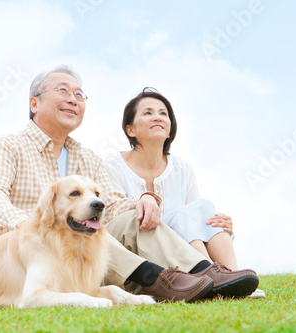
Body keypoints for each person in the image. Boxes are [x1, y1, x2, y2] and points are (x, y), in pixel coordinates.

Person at [0, 65, 259, 302]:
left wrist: (143, 200)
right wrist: (32, 225)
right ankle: (160, 280)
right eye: (63, 91)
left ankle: (204, 272)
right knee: (93, 235)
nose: (73, 99)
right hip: (25, 252)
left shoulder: (87, 157)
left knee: (137, 218)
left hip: (78, 258)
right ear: (34, 103)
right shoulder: (8, 146)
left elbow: (111, 204)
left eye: (79, 95)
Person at [103, 87, 265, 298]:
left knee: (204, 207)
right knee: (184, 214)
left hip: (183, 249)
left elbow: (195, 220)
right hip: (141, 252)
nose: (158, 117)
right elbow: (114, 217)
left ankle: (231, 276)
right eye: (148, 112)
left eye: (163, 113)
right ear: (130, 130)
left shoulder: (182, 168)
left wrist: (222, 227)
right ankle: (210, 277)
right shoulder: (112, 166)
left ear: (170, 130)